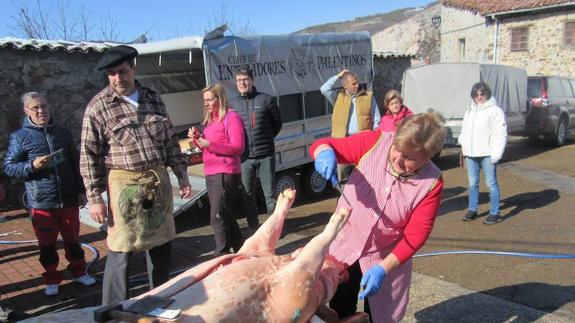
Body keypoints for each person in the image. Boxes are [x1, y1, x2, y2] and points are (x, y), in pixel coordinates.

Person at [80, 45, 192, 305]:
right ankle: (114, 309)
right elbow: (88, 155)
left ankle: (161, 299)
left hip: (156, 181)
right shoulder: (98, 107)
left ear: (134, 69)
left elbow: (170, 142)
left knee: (161, 242)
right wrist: (95, 197)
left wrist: (182, 174)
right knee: (121, 248)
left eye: (122, 71)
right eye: (111, 74)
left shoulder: (153, 98)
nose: (117, 79)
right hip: (124, 185)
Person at [310, 112, 446, 322]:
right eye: (397, 149)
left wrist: (383, 269)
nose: (398, 159)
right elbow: (324, 144)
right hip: (346, 245)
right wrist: (324, 153)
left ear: (427, 158)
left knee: (380, 315)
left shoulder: (431, 183)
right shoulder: (376, 143)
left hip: (386, 257)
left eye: (409, 158)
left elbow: (415, 236)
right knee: (340, 308)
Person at [3, 92, 96, 296]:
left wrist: (81, 190)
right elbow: (9, 167)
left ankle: (79, 271)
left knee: (73, 240)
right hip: (41, 202)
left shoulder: (62, 133)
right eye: (35, 107)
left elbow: (75, 162)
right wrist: (32, 166)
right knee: (47, 245)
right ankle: (52, 278)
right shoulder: (20, 137)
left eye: (44, 106)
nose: (41, 111)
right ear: (26, 110)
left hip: (69, 199)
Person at [188, 84, 245, 256]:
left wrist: (210, 145)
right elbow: (208, 146)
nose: (205, 103)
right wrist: (198, 139)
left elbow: (238, 147)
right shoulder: (211, 121)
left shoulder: (231, 117)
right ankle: (241, 250)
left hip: (225, 172)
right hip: (211, 172)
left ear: (219, 99)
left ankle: (222, 254)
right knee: (225, 213)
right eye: (204, 100)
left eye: (209, 99)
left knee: (217, 216)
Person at [229, 68, 282, 231]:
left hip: (266, 155)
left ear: (252, 81)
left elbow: (277, 124)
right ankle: (254, 227)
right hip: (244, 158)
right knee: (248, 195)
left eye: (245, 79)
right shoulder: (232, 104)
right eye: (239, 80)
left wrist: (265, 139)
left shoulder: (266, 99)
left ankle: (274, 228)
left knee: (270, 195)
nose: (242, 83)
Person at [458, 82, 507, 225]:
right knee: (472, 183)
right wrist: (463, 145)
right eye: (476, 94)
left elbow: (500, 134)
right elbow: (465, 130)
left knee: (491, 183)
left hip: (487, 154)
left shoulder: (495, 111)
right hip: (471, 154)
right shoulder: (469, 111)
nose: (479, 97)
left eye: (482, 93)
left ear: (487, 94)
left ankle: (495, 212)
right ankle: (472, 209)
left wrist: (496, 154)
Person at [320, 69, 381, 181]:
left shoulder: (368, 96)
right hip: (343, 143)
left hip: (362, 142)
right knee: (343, 177)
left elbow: (377, 120)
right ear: (345, 85)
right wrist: (339, 76)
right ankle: (344, 196)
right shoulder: (338, 98)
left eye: (357, 83)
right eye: (353, 84)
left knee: (365, 176)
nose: (357, 86)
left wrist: (375, 139)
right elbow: (324, 89)